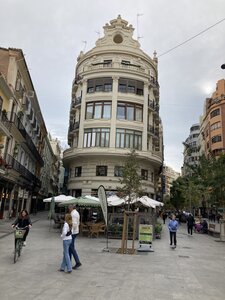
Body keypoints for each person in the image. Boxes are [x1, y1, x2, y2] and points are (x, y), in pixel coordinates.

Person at [68, 205, 82, 270]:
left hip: (73, 233)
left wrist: (70, 232)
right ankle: (69, 262)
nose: (68, 209)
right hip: (75, 232)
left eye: (69, 208)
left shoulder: (73, 214)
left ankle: (77, 262)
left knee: (71, 247)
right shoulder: (76, 212)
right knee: (70, 247)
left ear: (71, 208)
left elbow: (74, 224)